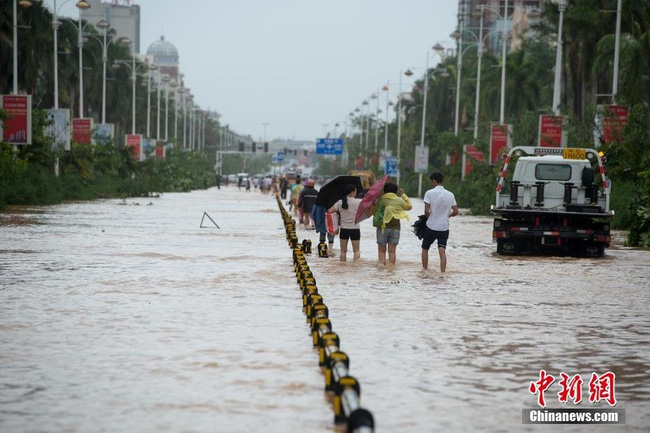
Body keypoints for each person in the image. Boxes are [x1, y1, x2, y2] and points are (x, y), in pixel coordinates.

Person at [421, 171, 458, 273]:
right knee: (442, 250)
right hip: (444, 227)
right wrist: (448, 216)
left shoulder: (429, 193)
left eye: (431, 181)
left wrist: (429, 219)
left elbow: (426, 211)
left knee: (425, 249)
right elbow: (456, 211)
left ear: (434, 181)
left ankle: (425, 271)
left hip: (431, 226)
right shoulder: (450, 195)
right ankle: (442, 273)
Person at [372, 182, 412, 266]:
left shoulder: (381, 199)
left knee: (382, 250)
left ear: (385, 190)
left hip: (383, 227)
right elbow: (409, 206)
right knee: (392, 251)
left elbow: (375, 212)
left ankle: (382, 269)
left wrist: (373, 204)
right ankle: (391, 271)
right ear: (395, 191)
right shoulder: (399, 200)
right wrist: (403, 195)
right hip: (395, 228)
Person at [329, 184, 361, 262]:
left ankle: (342, 267)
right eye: (355, 191)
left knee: (343, 251)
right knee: (356, 251)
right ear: (352, 192)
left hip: (344, 229)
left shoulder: (340, 202)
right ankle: (356, 267)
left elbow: (330, 211)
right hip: (355, 229)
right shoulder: (358, 202)